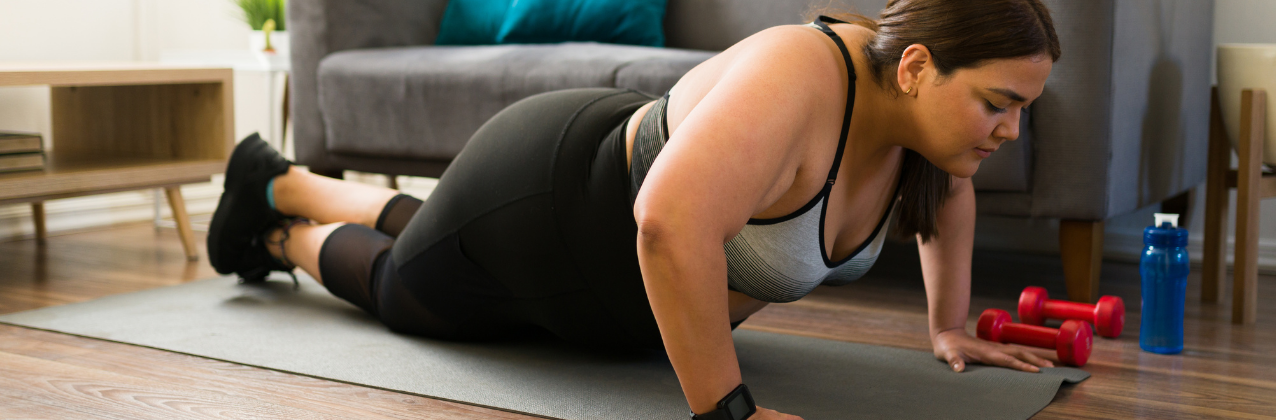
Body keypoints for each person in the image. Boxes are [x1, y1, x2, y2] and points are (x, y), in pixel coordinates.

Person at [207, 1, 1060, 418]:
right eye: (998, 104)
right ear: (916, 68)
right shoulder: (801, 73)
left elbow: (948, 205)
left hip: (610, 304)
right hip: (545, 201)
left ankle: (275, 177)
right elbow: (668, 223)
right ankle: (279, 224)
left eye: (1023, 109)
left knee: (437, 245)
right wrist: (729, 414)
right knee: (405, 289)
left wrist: (947, 327)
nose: (1010, 132)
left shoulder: (933, 142)